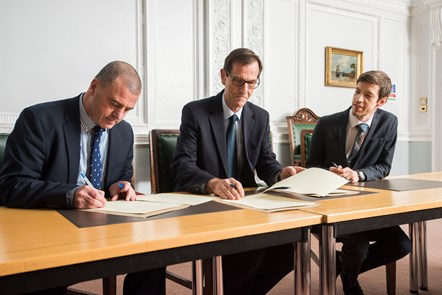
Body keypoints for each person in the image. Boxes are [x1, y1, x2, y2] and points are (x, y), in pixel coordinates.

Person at [0, 61, 165, 295]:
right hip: (49, 232)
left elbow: (119, 180)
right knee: (44, 279)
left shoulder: (124, 132)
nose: (119, 116)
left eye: (128, 109)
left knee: (155, 255)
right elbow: (12, 186)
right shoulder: (39, 120)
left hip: (104, 228)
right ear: (94, 86)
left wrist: (121, 186)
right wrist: (70, 195)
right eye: (114, 104)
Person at [170, 48, 304, 295]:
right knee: (251, 250)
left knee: (291, 248)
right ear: (223, 76)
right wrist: (211, 182)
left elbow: (266, 162)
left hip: (246, 205)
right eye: (238, 81)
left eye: (252, 83)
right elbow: (182, 166)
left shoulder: (260, 117)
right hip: (205, 204)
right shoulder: (196, 112)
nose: (244, 90)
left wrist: (280, 173)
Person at [307, 70, 411, 295]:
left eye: (368, 95)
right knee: (359, 247)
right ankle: (351, 284)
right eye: (357, 91)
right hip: (331, 207)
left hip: (368, 206)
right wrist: (328, 172)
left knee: (403, 245)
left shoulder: (389, 123)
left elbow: (384, 166)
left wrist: (359, 174)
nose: (359, 99)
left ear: (382, 101)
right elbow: (311, 165)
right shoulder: (327, 123)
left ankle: (345, 269)